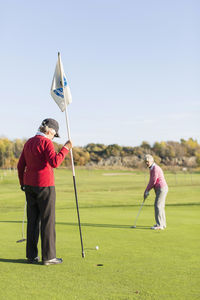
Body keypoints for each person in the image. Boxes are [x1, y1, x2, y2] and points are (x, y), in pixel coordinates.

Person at [17, 118, 72, 265]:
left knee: (33, 221)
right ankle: (48, 257)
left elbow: (20, 165)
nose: (54, 137)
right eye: (54, 134)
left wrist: (22, 183)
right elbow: (55, 162)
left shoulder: (29, 142)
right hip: (45, 186)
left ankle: (31, 256)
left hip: (29, 186)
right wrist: (66, 148)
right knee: (47, 221)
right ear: (49, 131)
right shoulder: (46, 142)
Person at [144, 154, 168, 230]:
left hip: (161, 188)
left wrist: (147, 190)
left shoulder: (155, 168)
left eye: (148, 161)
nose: (146, 163)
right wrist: (147, 190)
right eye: (145, 162)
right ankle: (162, 224)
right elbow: (152, 181)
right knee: (160, 206)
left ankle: (159, 225)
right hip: (160, 188)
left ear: (152, 161)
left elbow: (153, 181)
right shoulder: (152, 168)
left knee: (158, 205)